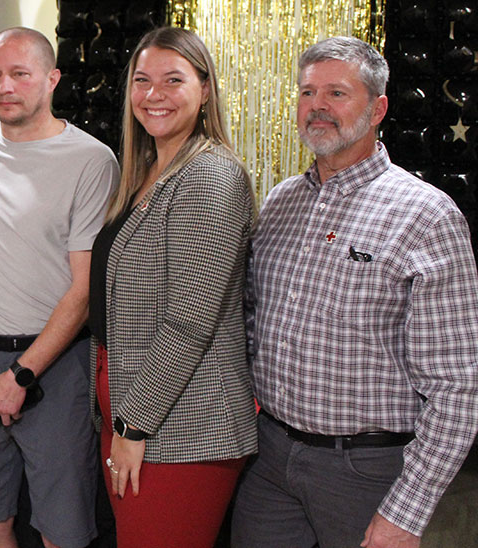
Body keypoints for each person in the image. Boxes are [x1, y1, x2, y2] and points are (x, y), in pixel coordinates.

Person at [233, 36, 478, 548]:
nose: (316, 106)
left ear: (378, 107)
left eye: (337, 93)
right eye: (306, 93)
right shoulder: (280, 203)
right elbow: (253, 325)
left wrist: (406, 514)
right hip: (270, 456)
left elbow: (457, 389)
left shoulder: (426, 216)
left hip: (365, 471)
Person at [0, 27, 119, 548]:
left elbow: (84, 291)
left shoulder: (90, 160)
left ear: (52, 79)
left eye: (20, 73)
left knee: (62, 527)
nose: (6, 86)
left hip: (56, 362)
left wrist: (22, 374)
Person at [87, 26, 258, 547]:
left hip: (182, 423)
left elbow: (189, 319)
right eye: (142, 80)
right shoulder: (146, 171)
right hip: (127, 401)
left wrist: (134, 426)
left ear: (205, 89)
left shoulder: (209, 176)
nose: (153, 94)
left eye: (172, 80)